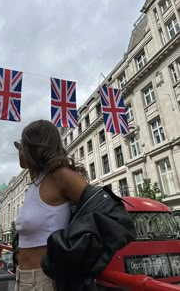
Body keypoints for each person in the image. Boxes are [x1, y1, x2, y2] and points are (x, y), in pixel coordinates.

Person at [14, 119, 136, 291]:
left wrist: (66, 252)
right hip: (23, 279)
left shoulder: (60, 176)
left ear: (34, 146)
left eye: (22, 143)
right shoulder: (35, 183)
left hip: (46, 282)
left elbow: (115, 217)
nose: (19, 149)